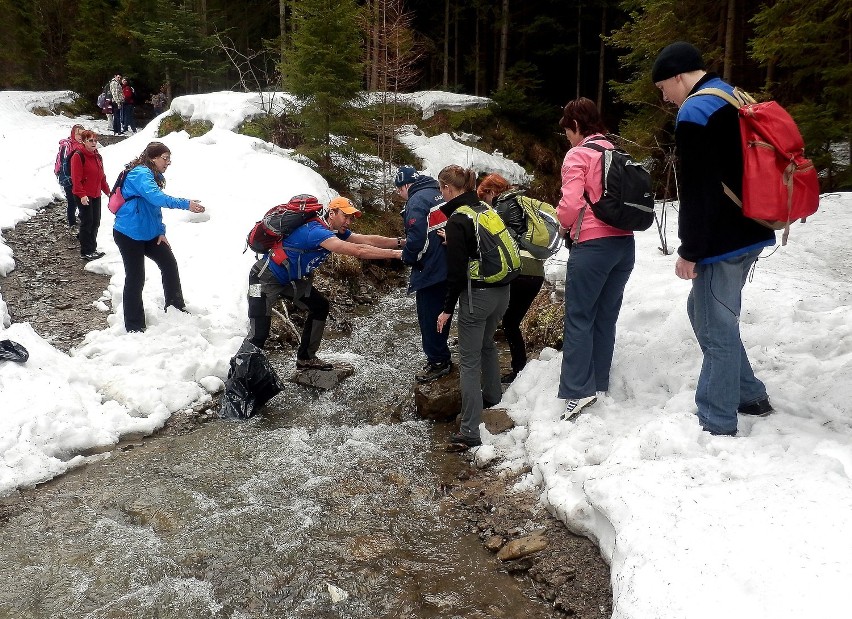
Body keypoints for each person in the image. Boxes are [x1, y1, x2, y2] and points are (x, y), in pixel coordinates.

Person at [652, 41, 776, 436]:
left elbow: (698, 188)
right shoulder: (731, 93)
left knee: (716, 327)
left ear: (677, 76)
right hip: (752, 226)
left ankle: (717, 419)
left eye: (662, 88)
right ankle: (749, 393)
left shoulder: (695, 110)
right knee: (702, 312)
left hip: (725, 238)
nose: (665, 97)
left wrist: (690, 251)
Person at [246, 196, 403, 369]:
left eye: (351, 218)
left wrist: (400, 242)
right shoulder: (316, 231)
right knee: (258, 334)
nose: (349, 222)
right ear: (332, 213)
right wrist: (397, 254)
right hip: (263, 279)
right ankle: (239, 377)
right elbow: (359, 250)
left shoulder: (334, 231)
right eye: (346, 216)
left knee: (319, 306)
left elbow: (368, 240)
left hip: (288, 280)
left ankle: (306, 358)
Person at [555, 98, 636, 421]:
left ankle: (577, 391)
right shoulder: (617, 152)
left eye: (567, 132)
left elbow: (571, 205)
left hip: (592, 246)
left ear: (576, 126)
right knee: (605, 317)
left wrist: (562, 222)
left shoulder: (579, 155)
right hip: (624, 246)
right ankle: (599, 383)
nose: (567, 138)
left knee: (579, 317)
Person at [436, 165, 513, 450]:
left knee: (468, 362)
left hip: (477, 295)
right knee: (487, 345)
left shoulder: (457, 219)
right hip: (502, 291)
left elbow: (455, 273)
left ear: (446, 188)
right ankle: (494, 397)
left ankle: (469, 430)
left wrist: (446, 309)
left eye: (440, 188)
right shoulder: (483, 208)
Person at [113, 141, 205, 332]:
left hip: (149, 233)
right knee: (136, 277)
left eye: (169, 159)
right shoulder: (140, 173)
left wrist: (161, 232)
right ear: (153, 158)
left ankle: (175, 307)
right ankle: (134, 325)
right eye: (165, 158)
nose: (168, 162)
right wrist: (185, 204)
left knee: (168, 263)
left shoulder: (153, 175)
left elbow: (153, 208)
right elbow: (156, 198)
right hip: (128, 233)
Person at [478, 173, 545, 384]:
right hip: (536, 271)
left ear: (491, 192)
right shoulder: (519, 201)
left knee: (507, 321)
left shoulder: (503, 206)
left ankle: (517, 371)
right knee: (511, 321)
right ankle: (519, 368)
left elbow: (486, 233)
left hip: (520, 270)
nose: (485, 202)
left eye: (485, 197)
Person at [395, 164, 453, 383]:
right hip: (449, 265)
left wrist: (407, 257)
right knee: (443, 313)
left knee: (429, 317)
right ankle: (441, 355)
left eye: (399, 189)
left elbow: (417, 239)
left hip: (432, 269)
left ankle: (438, 361)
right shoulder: (438, 193)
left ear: (406, 185)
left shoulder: (416, 200)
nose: (400, 195)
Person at [70, 130, 110, 262]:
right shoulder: (78, 156)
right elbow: (76, 178)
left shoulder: (98, 156)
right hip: (83, 195)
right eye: (90, 141)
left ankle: (92, 248)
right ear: (83, 141)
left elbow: (101, 177)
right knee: (87, 222)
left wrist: (108, 192)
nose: (94, 143)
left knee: (95, 222)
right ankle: (86, 251)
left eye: (95, 140)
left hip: (96, 194)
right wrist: (81, 195)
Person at [55, 124, 84, 233]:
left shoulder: (83, 145)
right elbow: (63, 162)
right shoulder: (67, 145)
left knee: (80, 199)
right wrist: (67, 178)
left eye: (82, 134)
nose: (80, 136)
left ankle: (81, 219)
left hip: (78, 178)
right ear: (73, 134)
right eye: (78, 134)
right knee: (72, 200)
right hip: (67, 177)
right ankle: (72, 222)